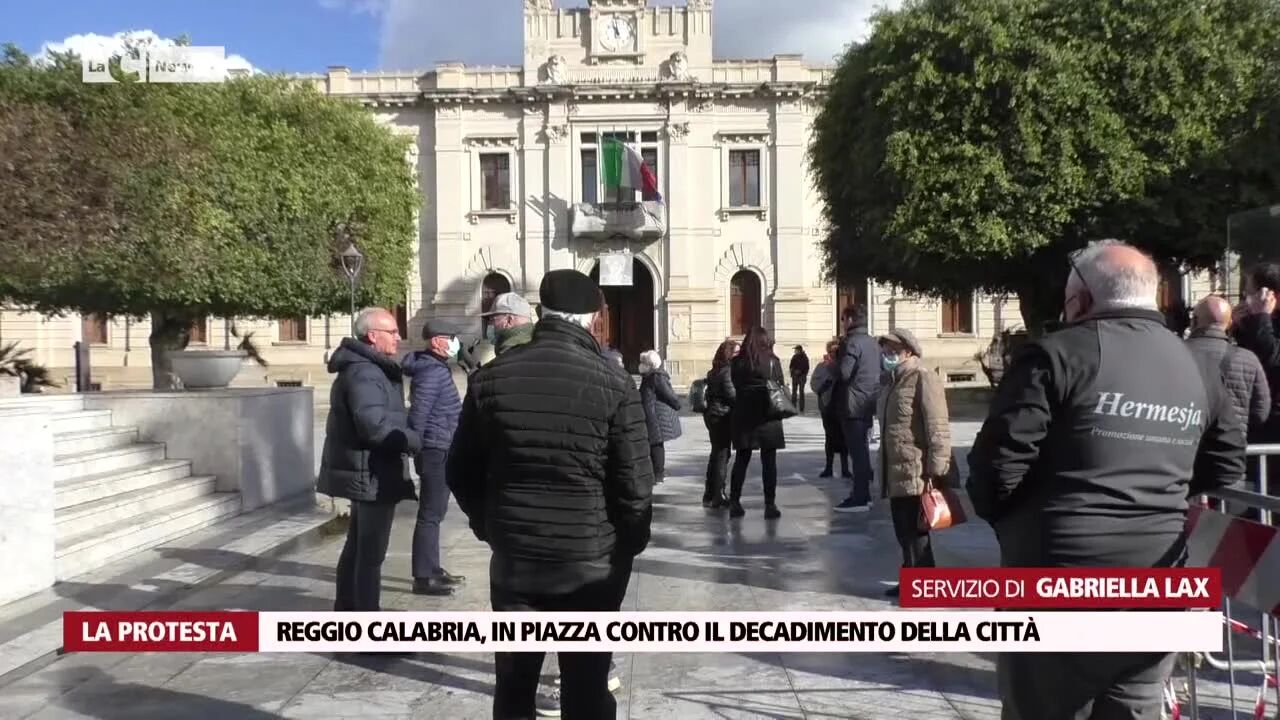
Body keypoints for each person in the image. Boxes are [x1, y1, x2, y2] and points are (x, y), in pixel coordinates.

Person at [967, 240, 1246, 720]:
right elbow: (1225, 466)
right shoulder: (1199, 366)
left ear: (1080, 300)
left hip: (1057, 578)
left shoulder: (1056, 355)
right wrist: (1159, 491)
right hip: (1159, 581)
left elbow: (995, 468)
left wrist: (1024, 526)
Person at [447, 269, 653, 720]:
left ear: (542, 314)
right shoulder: (616, 385)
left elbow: (459, 472)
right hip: (590, 566)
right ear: (595, 319)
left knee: (515, 691)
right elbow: (636, 487)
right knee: (586, 690)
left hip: (517, 564)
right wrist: (622, 550)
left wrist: (492, 527)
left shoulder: (490, 380)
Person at [318, 307, 422, 612]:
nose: (399, 337)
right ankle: (367, 625)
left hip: (369, 470)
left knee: (357, 547)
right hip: (371, 473)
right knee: (371, 554)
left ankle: (348, 610)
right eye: (392, 332)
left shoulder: (367, 368)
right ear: (373, 336)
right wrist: (415, 440)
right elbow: (374, 427)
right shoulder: (365, 372)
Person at [874, 328, 950, 598]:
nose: (888, 355)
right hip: (895, 467)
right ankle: (912, 576)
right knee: (903, 530)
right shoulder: (892, 380)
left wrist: (937, 467)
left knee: (916, 532)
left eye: (893, 350)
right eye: (885, 351)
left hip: (916, 468)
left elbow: (937, 425)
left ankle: (924, 585)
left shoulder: (922, 378)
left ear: (909, 351)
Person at [402, 321, 464, 597]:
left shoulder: (436, 368)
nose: (455, 342)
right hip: (434, 450)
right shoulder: (431, 372)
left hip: (442, 447)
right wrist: (416, 448)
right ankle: (423, 577)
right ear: (438, 341)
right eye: (452, 337)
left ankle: (433, 567)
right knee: (430, 514)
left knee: (436, 512)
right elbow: (418, 414)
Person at [1186, 295, 1270, 436]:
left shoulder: (1176, 352)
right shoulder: (1248, 359)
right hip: (1231, 447)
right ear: (1230, 323)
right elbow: (1260, 413)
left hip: (1187, 445)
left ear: (1194, 321)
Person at [728, 326, 787, 520]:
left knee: (741, 460)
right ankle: (770, 504)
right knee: (769, 462)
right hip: (767, 415)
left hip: (744, 415)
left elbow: (735, 384)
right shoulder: (772, 361)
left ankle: (735, 501)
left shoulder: (737, 363)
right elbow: (779, 384)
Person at [834, 304, 881, 513]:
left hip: (852, 404)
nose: (842, 324)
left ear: (850, 320)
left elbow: (844, 373)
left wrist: (833, 363)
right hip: (869, 402)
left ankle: (860, 496)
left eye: (843, 319)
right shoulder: (873, 342)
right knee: (862, 450)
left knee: (857, 452)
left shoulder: (851, 343)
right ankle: (864, 494)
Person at [702, 339, 738, 508]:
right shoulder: (727, 371)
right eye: (736, 352)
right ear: (729, 354)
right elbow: (731, 395)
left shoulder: (713, 371)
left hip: (711, 415)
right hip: (722, 416)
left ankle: (709, 493)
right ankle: (719, 495)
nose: (739, 356)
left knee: (715, 454)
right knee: (722, 455)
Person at [639, 350, 682, 485]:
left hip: (657, 416)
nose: (641, 364)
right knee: (655, 443)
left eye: (644, 362)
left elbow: (668, 394)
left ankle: (659, 474)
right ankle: (656, 473)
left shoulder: (656, 376)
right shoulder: (649, 375)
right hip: (652, 414)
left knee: (656, 443)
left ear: (650, 364)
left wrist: (677, 404)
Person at [810, 338, 850, 479]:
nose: (834, 353)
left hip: (843, 407)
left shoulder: (845, 365)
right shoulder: (822, 366)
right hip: (827, 407)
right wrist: (824, 385)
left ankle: (845, 469)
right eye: (831, 351)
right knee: (830, 438)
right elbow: (814, 384)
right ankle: (829, 467)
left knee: (844, 438)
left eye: (836, 351)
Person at [482, 292, 536, 359]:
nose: (491, 324)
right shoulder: (539, 339)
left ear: (509, 320)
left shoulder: (510, 349)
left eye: (493, 319)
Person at [789, 344, 810, 414]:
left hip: (801, 377)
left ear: (799, 350)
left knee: (801, 392)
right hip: (795, 377)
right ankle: (793, 407)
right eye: (795, 350)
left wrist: (801, 372)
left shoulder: (805, 357)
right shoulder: (794, 357)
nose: (795, 351)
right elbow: (791, 366)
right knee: (794, 392)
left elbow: (806, 367)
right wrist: (793, 372)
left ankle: (801, 408)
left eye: (796, 350)